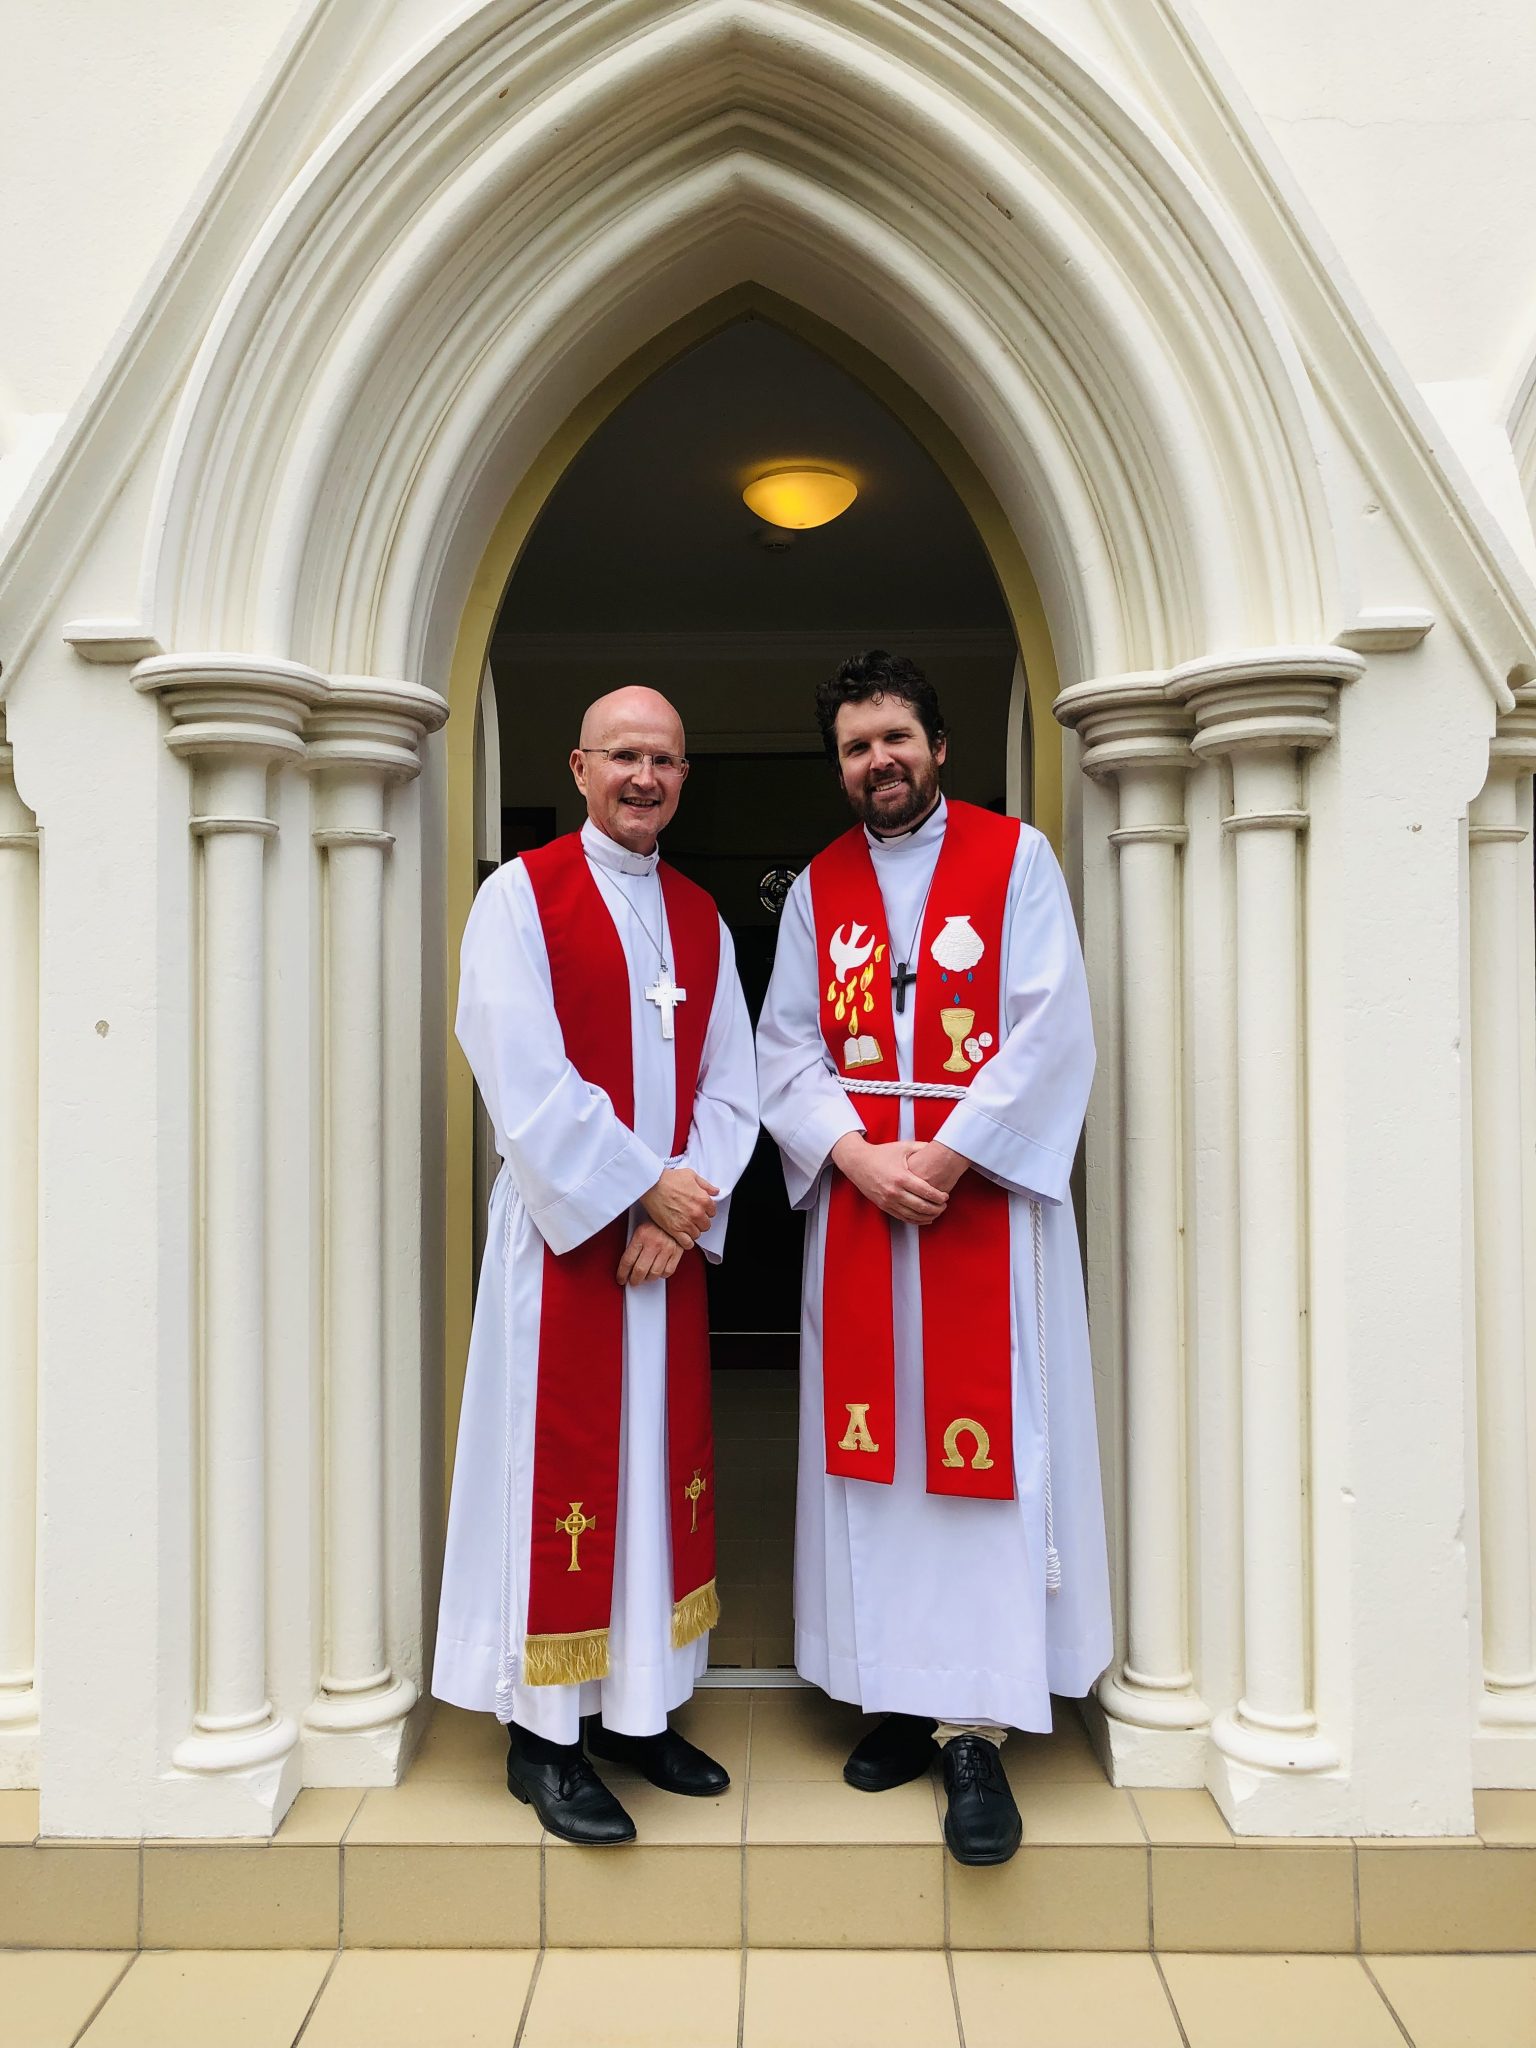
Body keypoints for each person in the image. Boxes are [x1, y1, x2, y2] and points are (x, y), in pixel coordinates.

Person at [756, 650, 1110, 1865]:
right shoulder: (819, 887)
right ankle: (896, 1691)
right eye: (856, 746)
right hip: (865, 1209)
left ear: (940, 745)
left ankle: (975, 1731)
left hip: (981, 1221)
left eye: (896, 736)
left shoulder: (1016, 862)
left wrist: (950, 1157)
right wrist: (856, 1156)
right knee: (877, 1462)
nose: (879, 761)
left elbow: (1051, 1027)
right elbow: (784, 1050)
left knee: (974, 1458)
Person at [435, 687, 758, 1845]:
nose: (645, 776)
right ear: (578, 765)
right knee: (557, 1479)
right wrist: (640, 1186)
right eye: (624, 754)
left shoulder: (703, 917)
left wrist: (682, 1207)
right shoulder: (518, 898)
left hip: (659, 1254)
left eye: (665, 758)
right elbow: (520, 1074)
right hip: (562, 1245)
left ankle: (637, 1706)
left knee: (655, 1479)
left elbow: (735, 1085)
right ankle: (543, 1736)